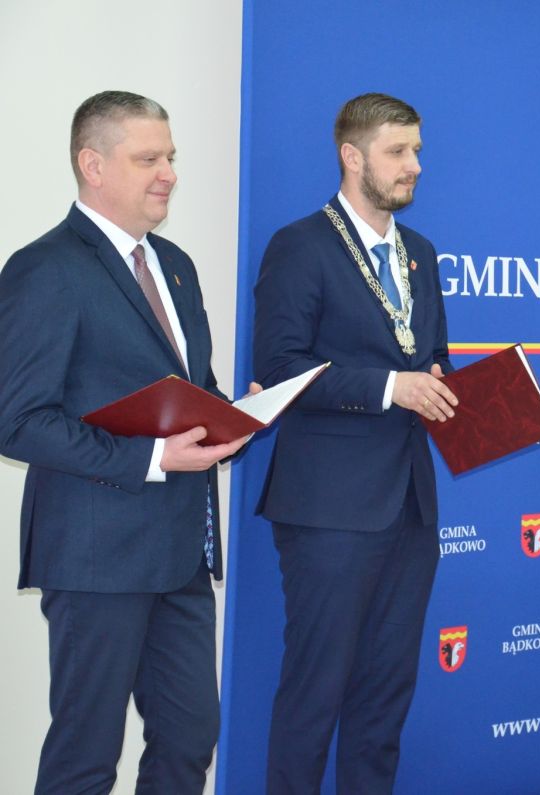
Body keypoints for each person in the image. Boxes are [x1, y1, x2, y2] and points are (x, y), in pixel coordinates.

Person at [0, 91, 250, 794]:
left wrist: (238, 418)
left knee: (190, 738)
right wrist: (152, 458)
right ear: (93, 165)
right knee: (86, 758)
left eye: (171, 156)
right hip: (95, 558)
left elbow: (195, 390)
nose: (169, 173)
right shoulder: (45, 268)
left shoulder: (176, 265)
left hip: (181, 555)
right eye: (148, 159)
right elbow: (17, 421)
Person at [253, 92, 458, 793]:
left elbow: (432, 355)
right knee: (315, 693)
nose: (414, 165)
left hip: (410, 507)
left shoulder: (420, 254)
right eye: (398, 151)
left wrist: (440, 384)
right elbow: (280, 368)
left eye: (417, 150)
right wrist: (391, 387)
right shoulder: (301, 245)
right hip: (328, 510)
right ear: (351, 156)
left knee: (384, 697)